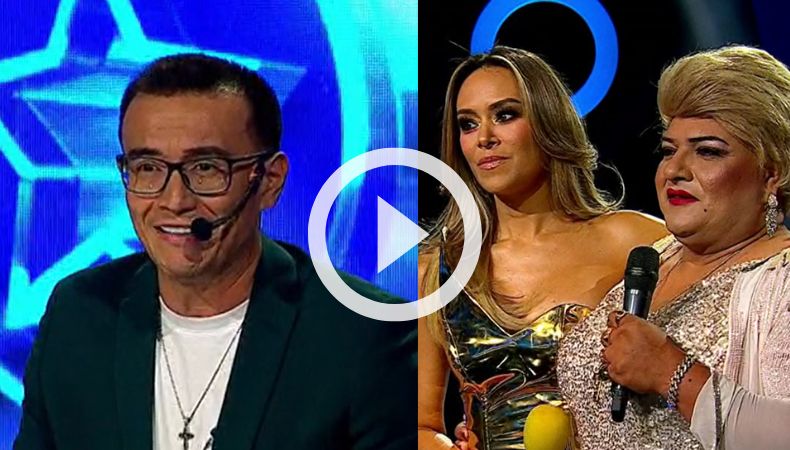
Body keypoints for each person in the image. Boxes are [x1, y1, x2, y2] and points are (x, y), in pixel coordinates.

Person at [14, 53, 416, 450]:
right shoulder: (78, 313)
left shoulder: (363, 333)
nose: (174, 201)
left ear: (269, 181)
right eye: (148, 168)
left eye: (206, 168)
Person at [417, 46, 667, 450]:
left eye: (505, 115)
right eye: (468, 124)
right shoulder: (438, 267)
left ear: (548, 121)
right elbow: (421, 425)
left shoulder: (632, 240)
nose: (485, 138)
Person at [557, 45, 790, 449]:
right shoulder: (652, 260)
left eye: (707, 151)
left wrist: (670, 372)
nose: (674, 170)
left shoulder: (781, 282)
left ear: (771, 174)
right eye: (669, 150)